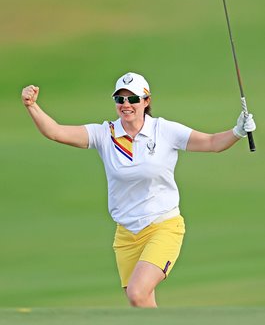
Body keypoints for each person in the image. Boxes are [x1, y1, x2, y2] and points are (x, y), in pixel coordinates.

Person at [21, 72, 256, 308]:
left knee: (136, 292)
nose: (126, 105)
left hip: (163, 227)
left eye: (133, 99)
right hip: (126, 234)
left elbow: (212, 143)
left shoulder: (163, 130)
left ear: (146, 101)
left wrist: (237, 132)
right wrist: (32, 106)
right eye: (120, 99)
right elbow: (55, 132)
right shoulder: (105, 134)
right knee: (142, 305)